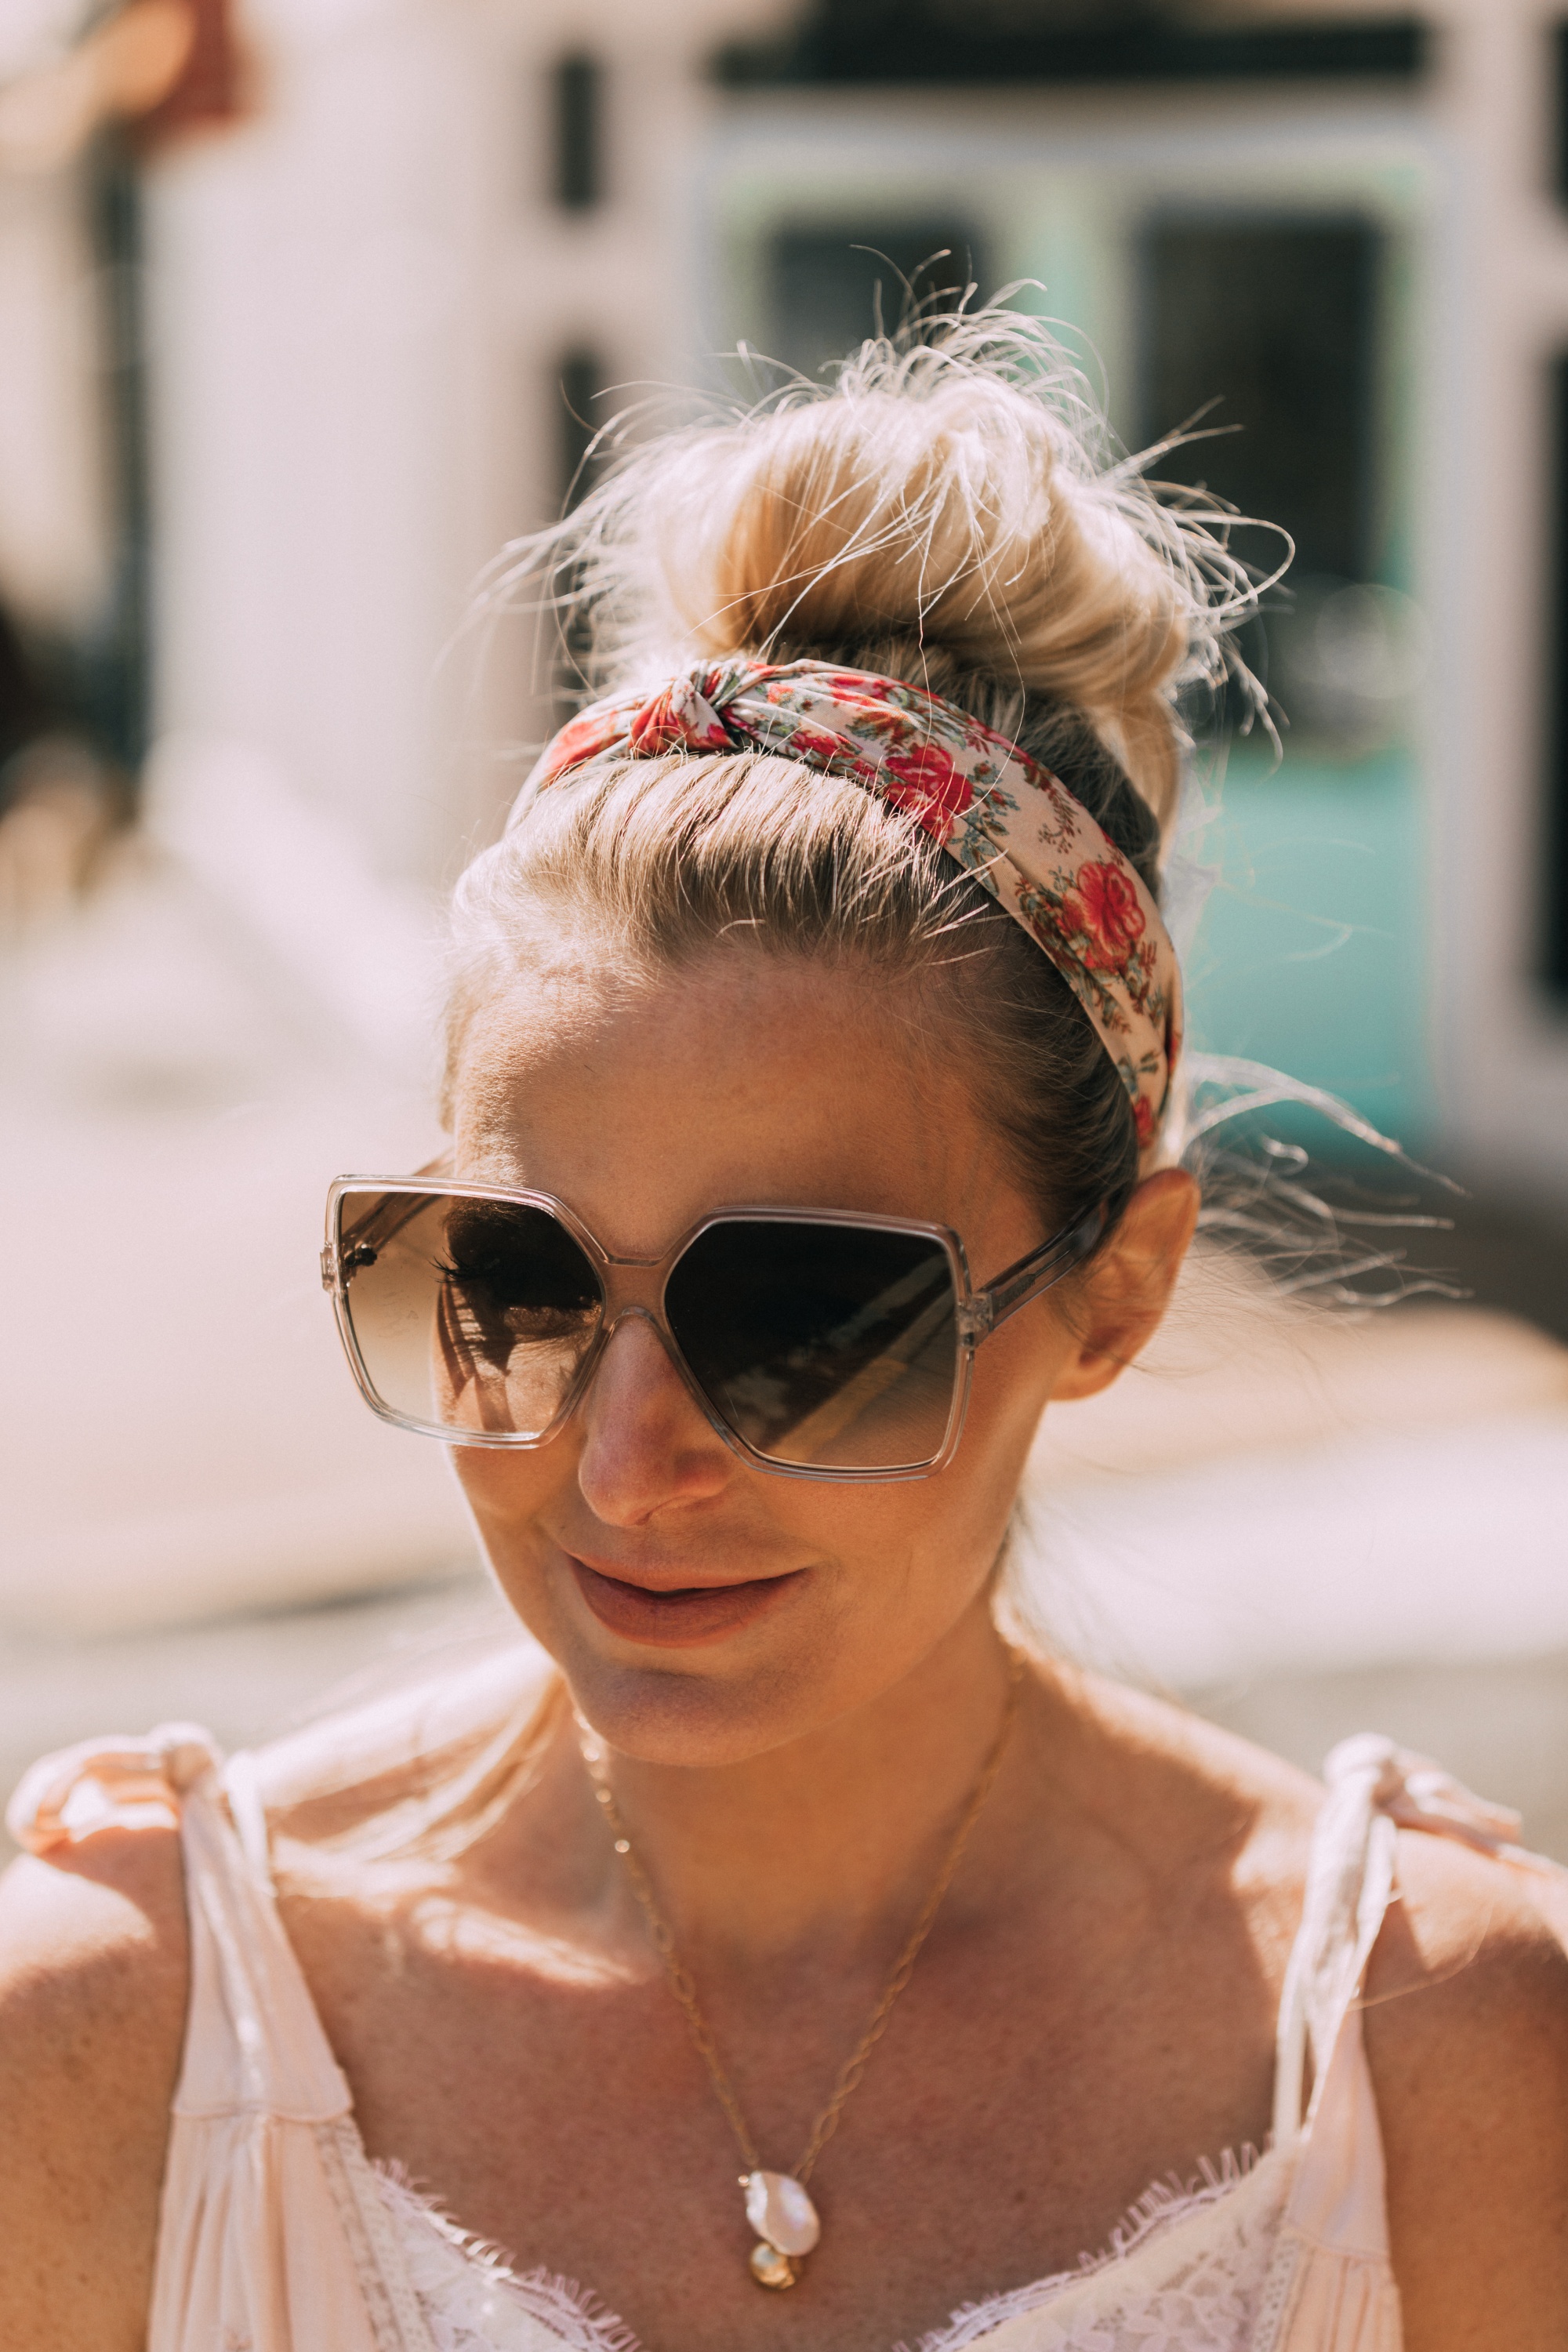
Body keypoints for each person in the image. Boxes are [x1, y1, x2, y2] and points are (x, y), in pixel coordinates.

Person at [3, 310, 1566, 2352]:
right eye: (509, 1287)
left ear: (1120, 1290)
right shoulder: (106, 2044)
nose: (627, 1460)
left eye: (808, 1317)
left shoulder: (1440, 2064)